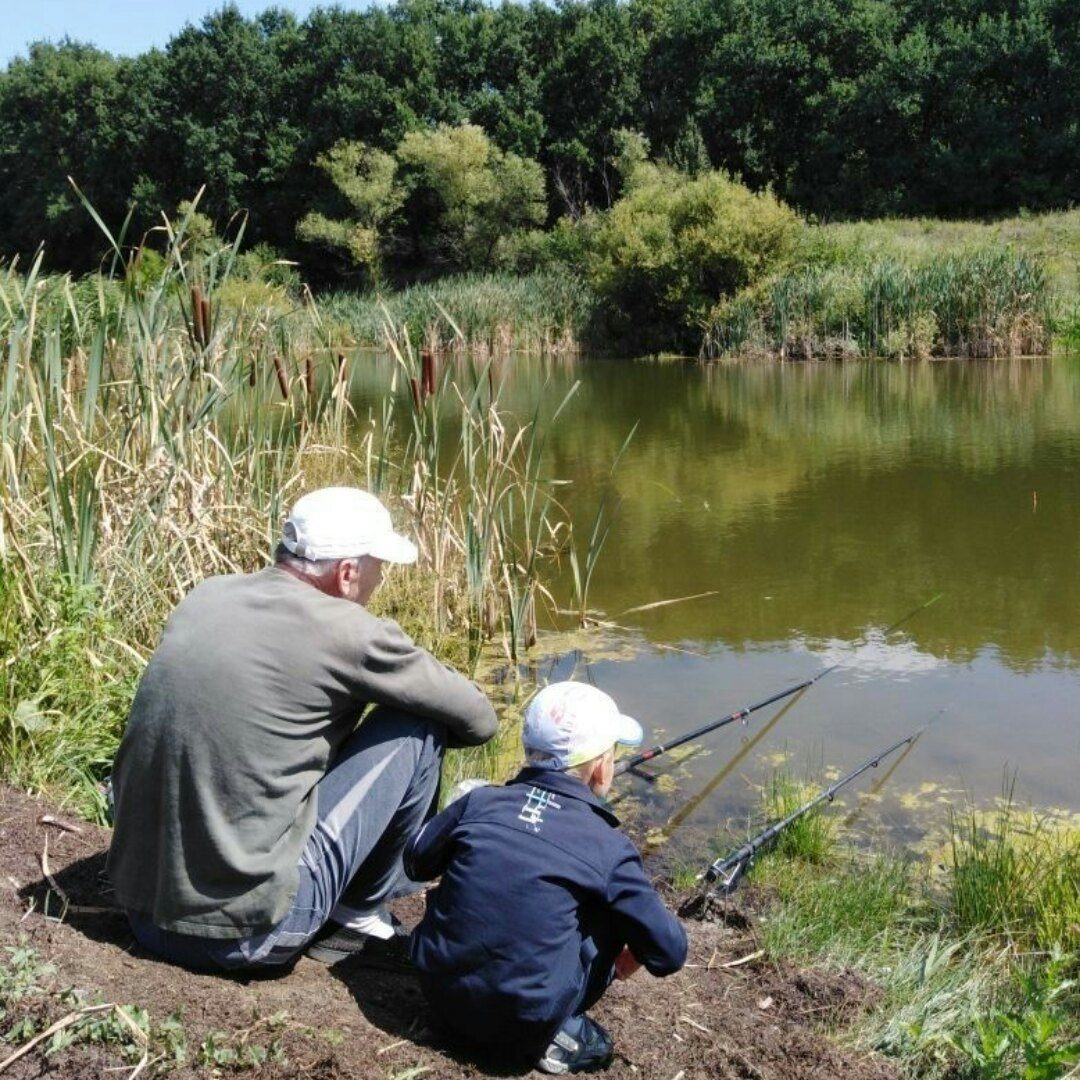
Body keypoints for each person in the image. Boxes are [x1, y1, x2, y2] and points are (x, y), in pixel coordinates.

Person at [106, 486, 497, 972]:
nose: (381, 580)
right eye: (379, 567)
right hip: (249, 934)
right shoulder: (352, 632)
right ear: (348, 572)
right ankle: (356, 914)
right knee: (418, 725)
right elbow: (479, 719)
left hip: (141, 909)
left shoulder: (207, 595)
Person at [405, 681, 688, 1074]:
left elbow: (416, 862)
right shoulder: (608, 846)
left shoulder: (480, 801)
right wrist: (631, 956)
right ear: (601, 766)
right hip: (522, 1024)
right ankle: (557, 1036)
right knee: (610, 908)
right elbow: (670, 953)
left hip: (438, 995)